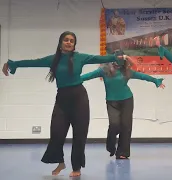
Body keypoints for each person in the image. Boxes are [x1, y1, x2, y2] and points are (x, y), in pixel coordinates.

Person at [1, 31, 131, 177]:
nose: (69, 42)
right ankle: (60, 162)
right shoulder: (53, 59)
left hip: (79, 98)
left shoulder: (80, 57)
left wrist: (117, 57)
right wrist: (14, 64)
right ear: (60, 42)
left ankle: (76, 167)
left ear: (74, 44)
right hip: (62, 98)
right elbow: (34, 62)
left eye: (72, 41)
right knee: (56, 132)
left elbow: (98, 58)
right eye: (66, 40)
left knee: (79, 135)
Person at [80, 52, 165, 159]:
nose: (119, 60)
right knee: (114, 124)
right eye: (117, 57)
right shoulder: (104, 70)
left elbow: (142, 76)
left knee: (126, 126)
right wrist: (74, 80)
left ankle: (122, 153)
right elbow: (88, 76)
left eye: (121, 58)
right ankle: (110, 145)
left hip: (127, 100)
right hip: (112, 102)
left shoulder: (126, 71)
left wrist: (155, 81)